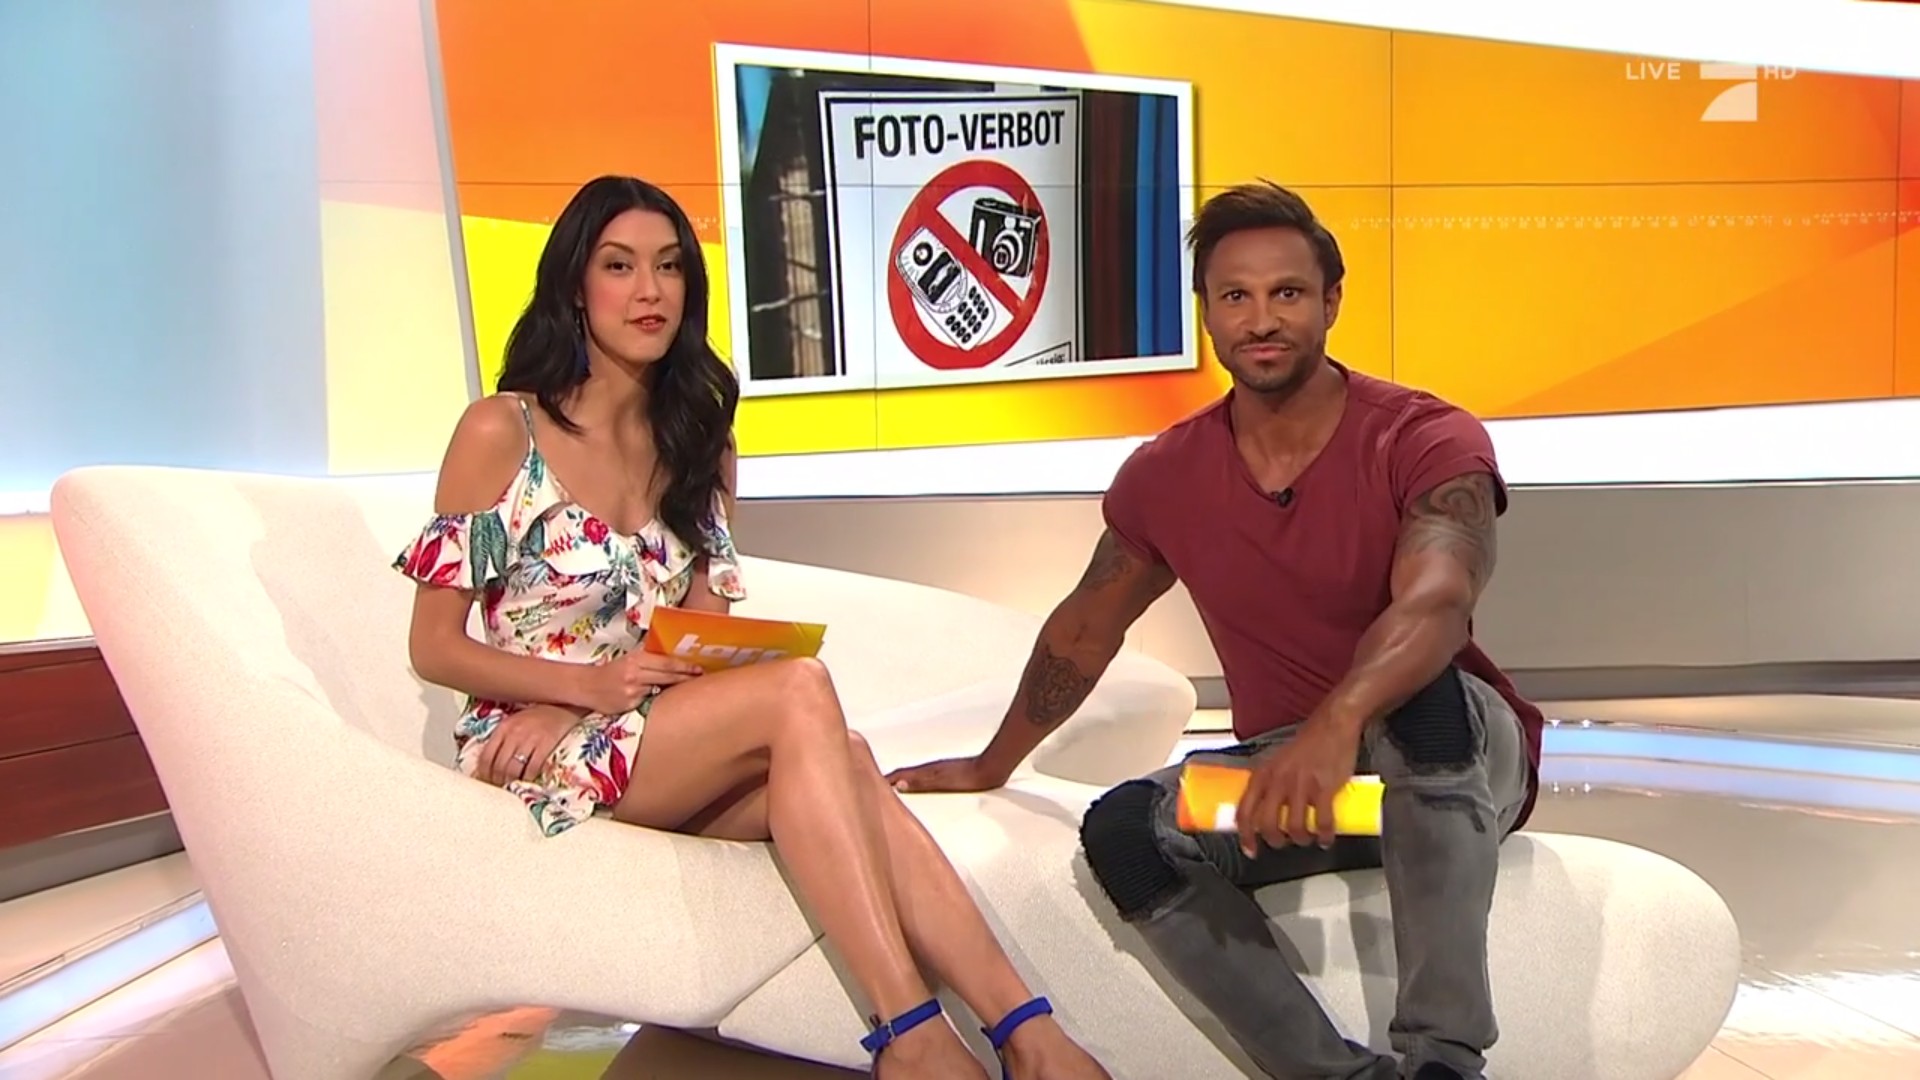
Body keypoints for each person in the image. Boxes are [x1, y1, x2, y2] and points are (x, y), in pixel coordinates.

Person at [396, 175, 1111, 1080]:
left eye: (669, 267)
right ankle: (912, 1033)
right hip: (531, 749)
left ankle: (1028, 1033)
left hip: (642, 728)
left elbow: (697, 637)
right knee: (799, 692)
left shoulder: (700, 437)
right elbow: (434, 646)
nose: (649, 291)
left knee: (847, 759)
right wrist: (577, 693)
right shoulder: (504, 431)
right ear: (575, 286)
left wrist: (610, 701)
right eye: (619, 267)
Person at [886, 180, 1543, 1080]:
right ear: (1207, 312)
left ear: (1331, 303)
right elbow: (1083, 631)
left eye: (1287, 293)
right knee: (1129, 830)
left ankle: (1442, 1063)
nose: (1261, 319)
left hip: (1455, 767)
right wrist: (991, 763)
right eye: (1236, 296)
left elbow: (1436, 601)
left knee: (1426, 704)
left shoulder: (1424, 437)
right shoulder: (1167, 474)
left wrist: (1338, 720)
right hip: (1302, 795)